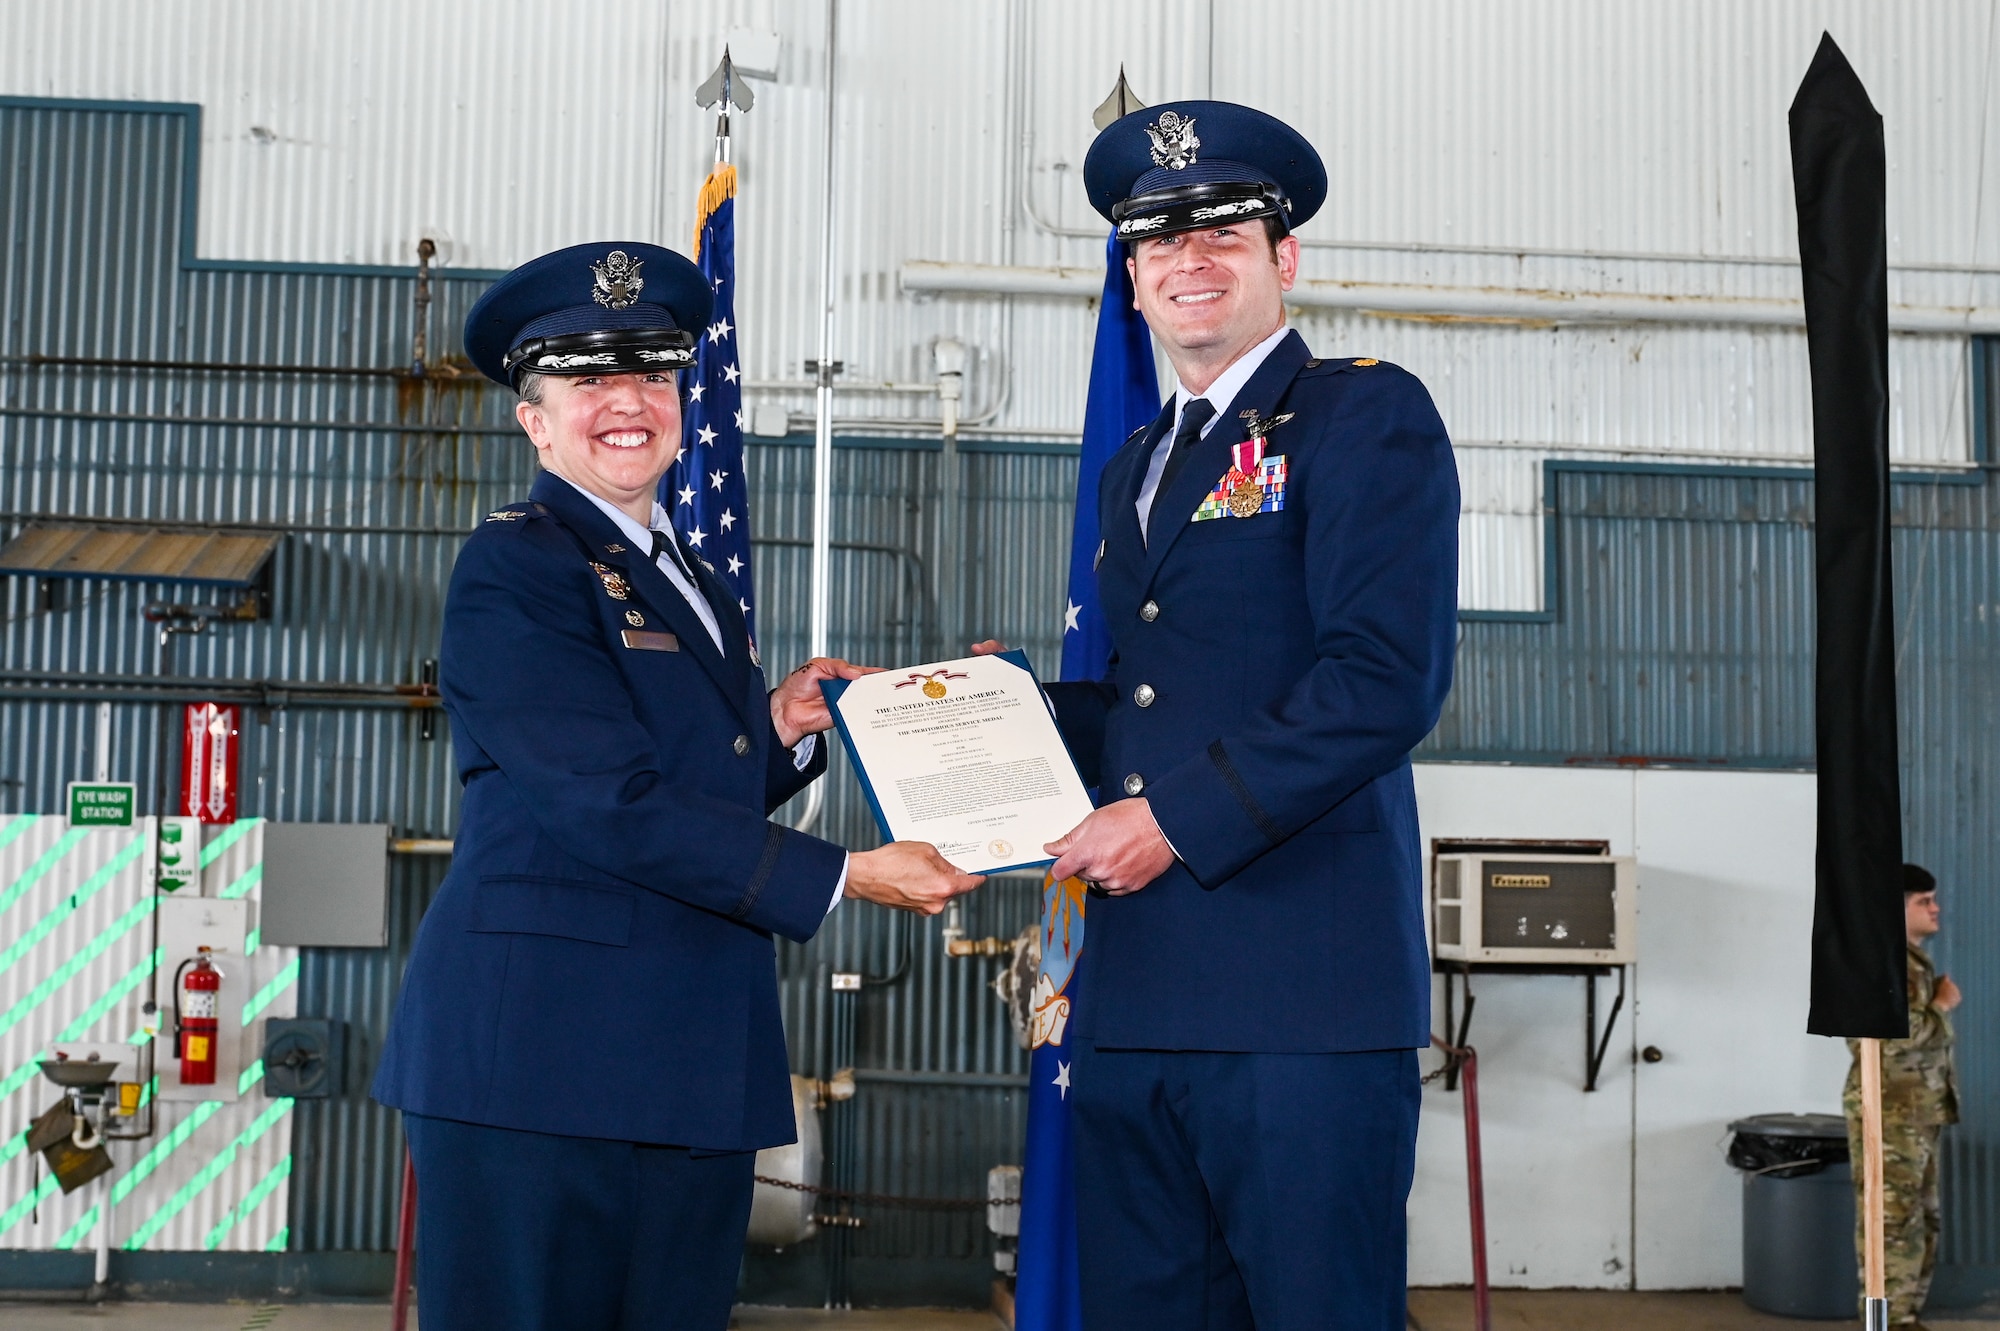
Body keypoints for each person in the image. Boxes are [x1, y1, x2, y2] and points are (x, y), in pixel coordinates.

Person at [371, 241, 982, 1331]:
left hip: (686, 1057)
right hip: (541, 1067)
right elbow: (601, 800)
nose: (628, 401)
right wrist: (850, 874)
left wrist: (785, 725)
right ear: (535, 417)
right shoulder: (519, 563)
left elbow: (683, 779)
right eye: (588, 376)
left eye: (651, 373)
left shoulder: (683, 570)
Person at [1023, 101, 1459, 1330]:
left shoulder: (1363, 415)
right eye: (1158, 238)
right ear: (1132, 275)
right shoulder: (1137, 465)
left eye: (1223, 228)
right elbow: (1151, 696)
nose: (1188, 255)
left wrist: (1167, 819)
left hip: (1300, 1001)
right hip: (1136, 996)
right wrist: (983, 715)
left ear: (1285, 257)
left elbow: (1381, 677)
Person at [1844, 863, 1961, 1331]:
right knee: (1890, 1224)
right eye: (1923, 901)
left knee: (1918, 1220)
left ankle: (1904, 1316)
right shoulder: (1883, 963)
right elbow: (1883, 1039)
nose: (1936, 908)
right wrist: (1940, 1005)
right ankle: (1888, 1321)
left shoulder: (1908, 959)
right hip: (1889, 1114)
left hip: (1914, 1112)